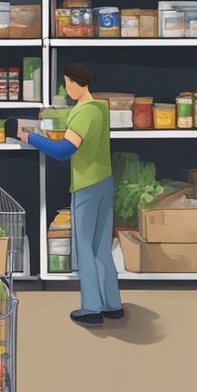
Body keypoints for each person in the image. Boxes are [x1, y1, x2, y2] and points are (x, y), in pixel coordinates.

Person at [20, 63, 123, 325]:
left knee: (84, 246)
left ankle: (90, 308)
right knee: (101, 247)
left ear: (78, 83)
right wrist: (52, 114)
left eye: (67, 83)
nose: (66, 88)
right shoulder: (99, 108)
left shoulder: (83, 115)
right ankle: (112, 304)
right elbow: (75, 119)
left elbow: (64, 151)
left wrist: (29, 137)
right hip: (104, 181)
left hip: (86, 186)